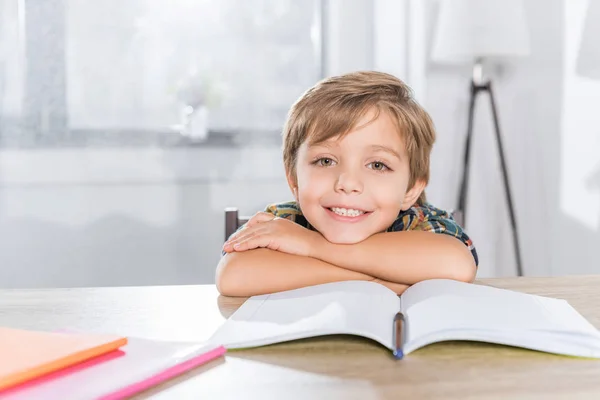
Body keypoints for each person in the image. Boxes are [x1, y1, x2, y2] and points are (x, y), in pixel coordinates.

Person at [217, 71, 478, 297]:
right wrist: (382, 281)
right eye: (326, 161)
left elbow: (458, 265)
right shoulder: (284, 223)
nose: (348, 183)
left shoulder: (421, 223)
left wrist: (312, 245)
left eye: (377, 165)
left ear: (411, 190)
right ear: (294, 179)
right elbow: (233, 275)